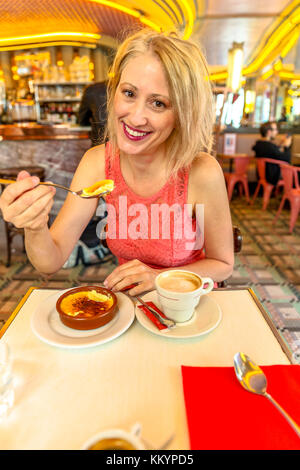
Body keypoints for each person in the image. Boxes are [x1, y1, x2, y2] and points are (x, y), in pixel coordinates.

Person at [0, 29, 234, 296]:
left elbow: (223, 264)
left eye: (158, 103)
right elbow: (50, 262)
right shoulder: (97, 162)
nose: (135, 118)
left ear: (182, 114)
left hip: (189, 305)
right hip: (133, 307)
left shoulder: (201, 171)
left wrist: (159, 277)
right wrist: (35, 225)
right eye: (129, 93)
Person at [252, 121, 292, 186]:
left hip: (263, 174)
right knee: (296, 169)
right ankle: (292, 194)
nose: (277, 132)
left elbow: (274, 154)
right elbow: (287, 159)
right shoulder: (269, 146)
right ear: (269, 132)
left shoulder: (260, 144)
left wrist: (281, 144)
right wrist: (286, 146)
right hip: (272, 176)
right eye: (275, 129)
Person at [77, 81, 108, 147]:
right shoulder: (125, 88)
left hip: (100, 145)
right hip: (123, 147)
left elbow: (81, 120)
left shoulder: (92, 89)